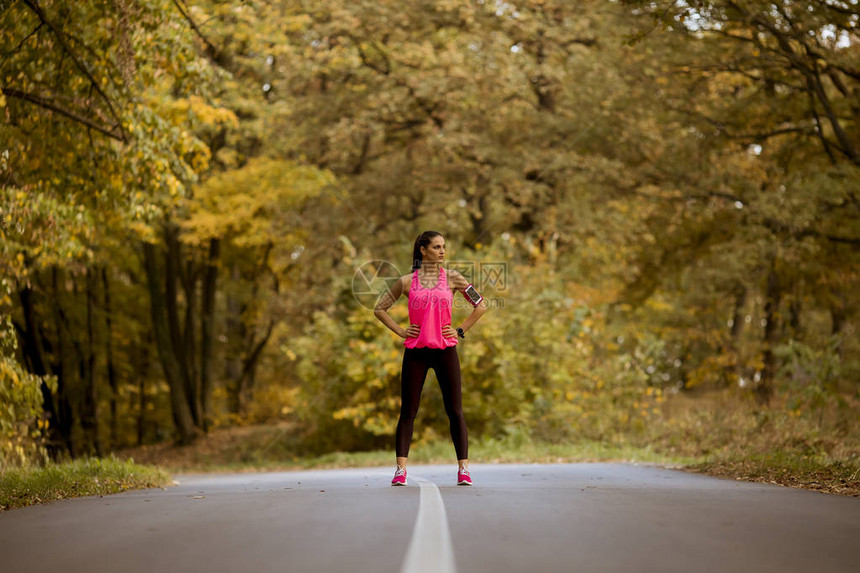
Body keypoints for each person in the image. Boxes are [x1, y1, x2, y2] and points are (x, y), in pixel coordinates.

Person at [374, 230, 488, 486]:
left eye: (444, 246)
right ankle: (400, 471)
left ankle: (464, 470)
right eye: (437, 247)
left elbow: (480, 304)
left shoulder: (453, 278)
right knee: (408, 412)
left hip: (445, 350)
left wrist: (460, 330)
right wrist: (401, 330)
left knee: (455, 411)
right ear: (423, 250)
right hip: (416, 352)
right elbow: (379, 309)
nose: (443, 251)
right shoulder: (405, 282)